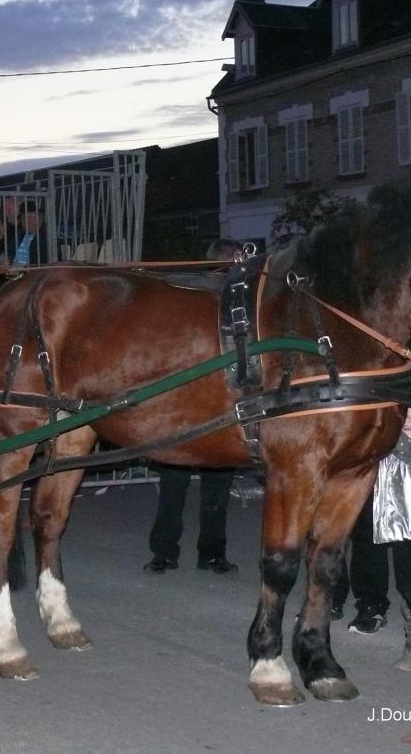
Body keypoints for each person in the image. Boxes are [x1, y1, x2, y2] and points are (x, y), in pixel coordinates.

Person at [144, 238, 244, 575]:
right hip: (183, 410)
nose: (240, 267)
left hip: (220, 406)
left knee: (217, 488)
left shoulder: (237, 304)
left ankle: (212, 553)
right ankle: (164, 551)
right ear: (219, 265)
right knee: (173, 486)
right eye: (235, 261)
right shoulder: (191, 297)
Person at [334, 399, 411, 671]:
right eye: (404, 415)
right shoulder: (388, 447)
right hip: (399, 527)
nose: (407, 420)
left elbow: (402, 448)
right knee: (408, 586)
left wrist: (377, 420)